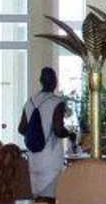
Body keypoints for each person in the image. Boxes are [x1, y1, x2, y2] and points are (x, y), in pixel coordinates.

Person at [17, 68, 73, 197]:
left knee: (38, 197)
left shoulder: (30, 101)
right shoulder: (57, 102)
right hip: (51, 158)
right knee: (50, 198)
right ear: (55, 82)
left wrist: (35, 133)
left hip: (34, 157)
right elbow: (58, 130)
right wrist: (69, 133)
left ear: (40, 81)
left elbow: (21, 129)